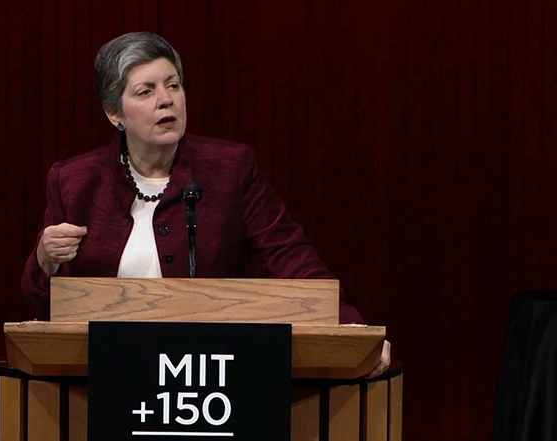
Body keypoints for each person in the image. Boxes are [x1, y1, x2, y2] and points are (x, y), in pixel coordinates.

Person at [21, 32, 391, 378]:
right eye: (145, 91)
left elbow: (290, 255)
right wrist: (45, 257)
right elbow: (43, 301)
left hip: (211, 370)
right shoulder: (74, 181)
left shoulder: (229, 169)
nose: (166, 99)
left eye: (173, 86)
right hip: (109, 370)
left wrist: (352, 330)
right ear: (114, 113)